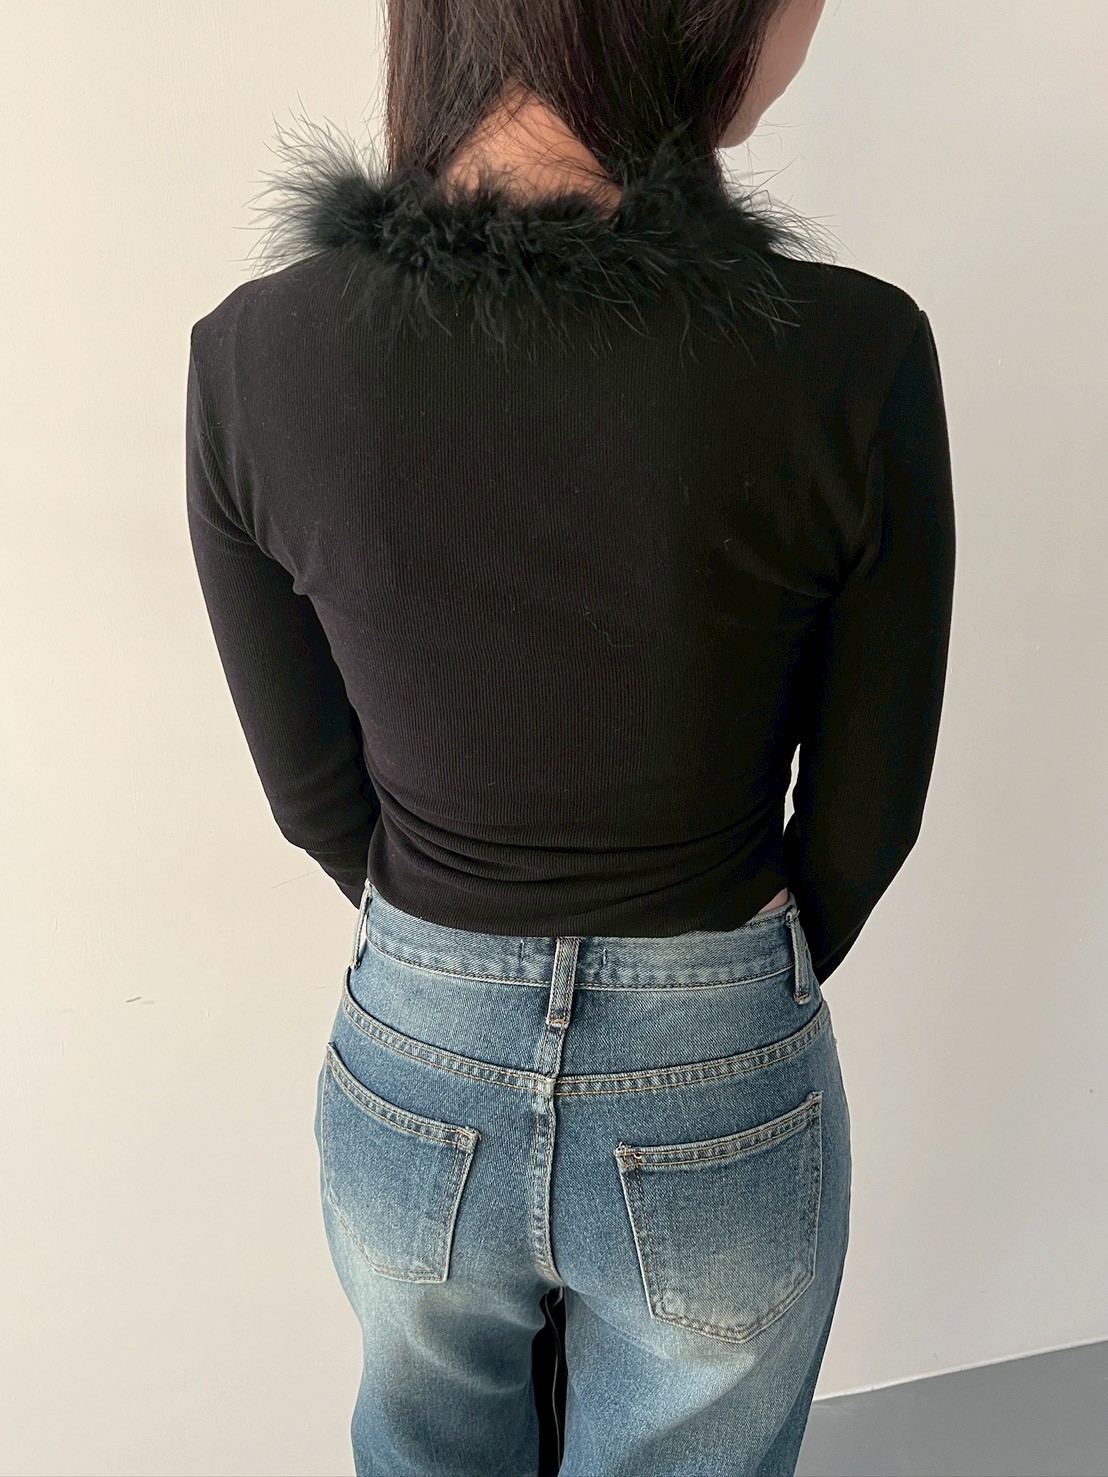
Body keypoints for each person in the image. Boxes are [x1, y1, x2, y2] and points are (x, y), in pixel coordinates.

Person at [184, 0, 955, 1471]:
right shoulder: (852, 350)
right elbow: (871, 811)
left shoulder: (251, 355)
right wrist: (714, 996)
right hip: (719, 1055)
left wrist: (461, 958)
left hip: (416, 1057)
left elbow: (311, 793)